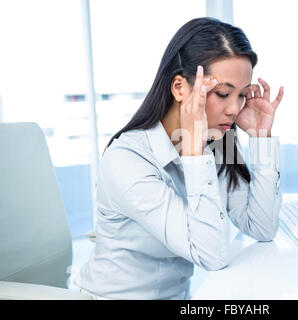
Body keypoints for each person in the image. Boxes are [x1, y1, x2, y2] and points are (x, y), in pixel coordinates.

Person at [74, 17, 284, 300]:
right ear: (179, 88)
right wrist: (194, 154)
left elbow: (261, 227)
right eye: (222, 93)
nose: (234, 109)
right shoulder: (127, 160)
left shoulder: (218, 142)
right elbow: (212, 255)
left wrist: (260, 139)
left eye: (242, 96)